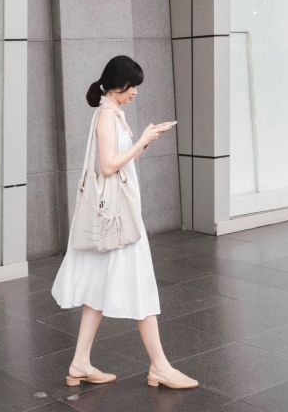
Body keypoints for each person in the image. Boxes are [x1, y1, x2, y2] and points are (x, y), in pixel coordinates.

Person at [51, 55, 199, 390]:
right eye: (132, 87)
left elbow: (117, 163)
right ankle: (160, 367)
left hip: (116, 218)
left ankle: (80, 362)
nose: (135, 93)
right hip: (119, 222)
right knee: (141, 286)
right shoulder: (106, 116)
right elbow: (107, 167)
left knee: (98, 290)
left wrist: (143, 141)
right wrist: (142, 142)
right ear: (119, 84)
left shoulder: (112, 114)